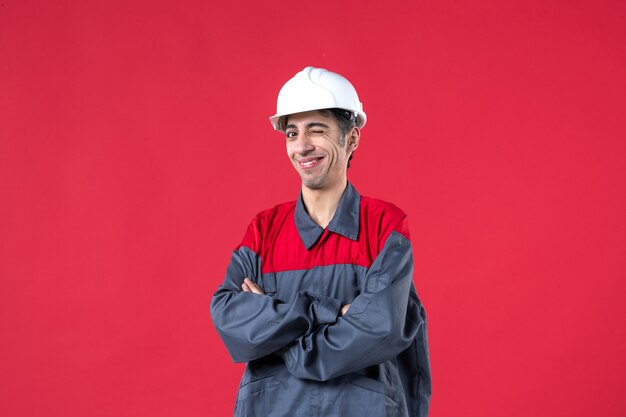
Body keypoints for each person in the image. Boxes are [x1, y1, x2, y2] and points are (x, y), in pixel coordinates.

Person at [210, 66, 431, 417]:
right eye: (292, 133)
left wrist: (281, 336)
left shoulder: (385, 226)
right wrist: (326, 312)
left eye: (317, 130)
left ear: (352, 139)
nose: (302, 146)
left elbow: (379, 327)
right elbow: (228, 316)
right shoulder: (263, 229)